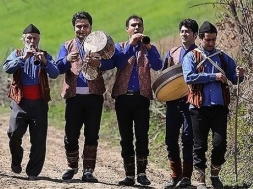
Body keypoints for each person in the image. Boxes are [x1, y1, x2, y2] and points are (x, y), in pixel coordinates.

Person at [182, 21, 245, 189]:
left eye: (213, 40)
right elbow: (189, 77)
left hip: (219, 107)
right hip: (198, 108)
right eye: (207, 40)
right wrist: (213, 76)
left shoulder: (223, 57)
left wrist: (240, 74)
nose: (210, 43)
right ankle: (200, 180)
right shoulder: (190, 57)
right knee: (200, 145)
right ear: (200, 38)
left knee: (220, 143)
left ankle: (215, 175)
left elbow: (234, 77)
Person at [56, 11, 115, 183]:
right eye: (78, 27)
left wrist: (100, 64)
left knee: (92, 135)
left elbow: (112, 61)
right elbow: (58, 68)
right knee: (71, 134)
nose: (82, 29)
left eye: (85, 26)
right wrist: (67, 59)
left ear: (91, 27)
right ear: (74, 28)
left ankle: (88, 170)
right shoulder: (66, 46)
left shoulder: (100, 44)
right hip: (73, 97)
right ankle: (72, 166)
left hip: (94, 97)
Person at [2, 24, 59, 180]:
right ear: (24, 39)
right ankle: (16, 160)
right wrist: (23, 58)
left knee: (39, 140)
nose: (32, 41)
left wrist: (44, 62)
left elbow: (55, 73)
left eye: (34, 38)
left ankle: (33, 171)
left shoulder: (45, 55)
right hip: (20, 103)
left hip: (39, 104)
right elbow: (7, 68)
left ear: (39, 39)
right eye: (29, 38)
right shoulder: (17, 53)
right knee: (13, 134)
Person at [111, 14, 162, 186]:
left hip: (141, 98)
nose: (137, 28)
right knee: (126, 137)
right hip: (123, 98)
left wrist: (148, 46)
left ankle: (141, 173)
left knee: (142, 136)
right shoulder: (120, 47)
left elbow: (157, 65)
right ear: (127, 29)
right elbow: (118, 63)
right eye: (133, 25)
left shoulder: (148, 48)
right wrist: (131, 46)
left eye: (139, 25)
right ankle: (129, 175)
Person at [162, 19, 199, 188]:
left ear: (195, 35)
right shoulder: (172, 53)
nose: (184, 34)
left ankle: (187, 177)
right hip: (172, 103)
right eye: (182, 31)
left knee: (188, 139)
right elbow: (164, 76)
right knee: (170, 138)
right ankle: (175, 175)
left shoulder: (200, 53)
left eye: (188, 32)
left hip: (191, 103)